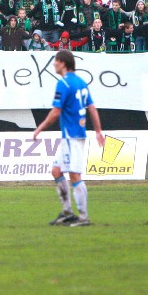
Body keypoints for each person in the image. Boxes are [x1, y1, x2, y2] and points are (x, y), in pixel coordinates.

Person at [31, 50, 106, 227]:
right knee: (56, 171)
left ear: (63, 63)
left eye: (56, 61)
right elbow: (92, 108)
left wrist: (39, 129)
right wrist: (97, 130)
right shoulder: (81, 82)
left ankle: (83, 217)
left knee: (74, 174)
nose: (54, 65)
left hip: (73, 135)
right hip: (70, 136)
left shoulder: (63, 83)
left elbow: (56, 112)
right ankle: (67, 212)